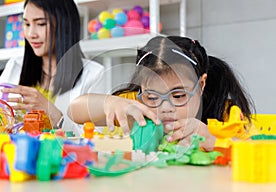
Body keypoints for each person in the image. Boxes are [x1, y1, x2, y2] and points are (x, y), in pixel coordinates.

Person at [68, 35, 256, 151]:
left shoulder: (224, 113)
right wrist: (109, 103)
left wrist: (213, 140)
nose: (165, 108)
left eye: (178, 96)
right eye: (152, 97)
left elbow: (258, 151)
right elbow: (74, 110)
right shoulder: (136, 107)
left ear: (202, 84)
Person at [0, 0, 105, 133]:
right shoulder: (15, 66)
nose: (31, 34)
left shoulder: (93, 74)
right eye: (26, 23)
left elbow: (95, 141)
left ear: (64, 25)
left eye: (41, 24)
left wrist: (54, 116)